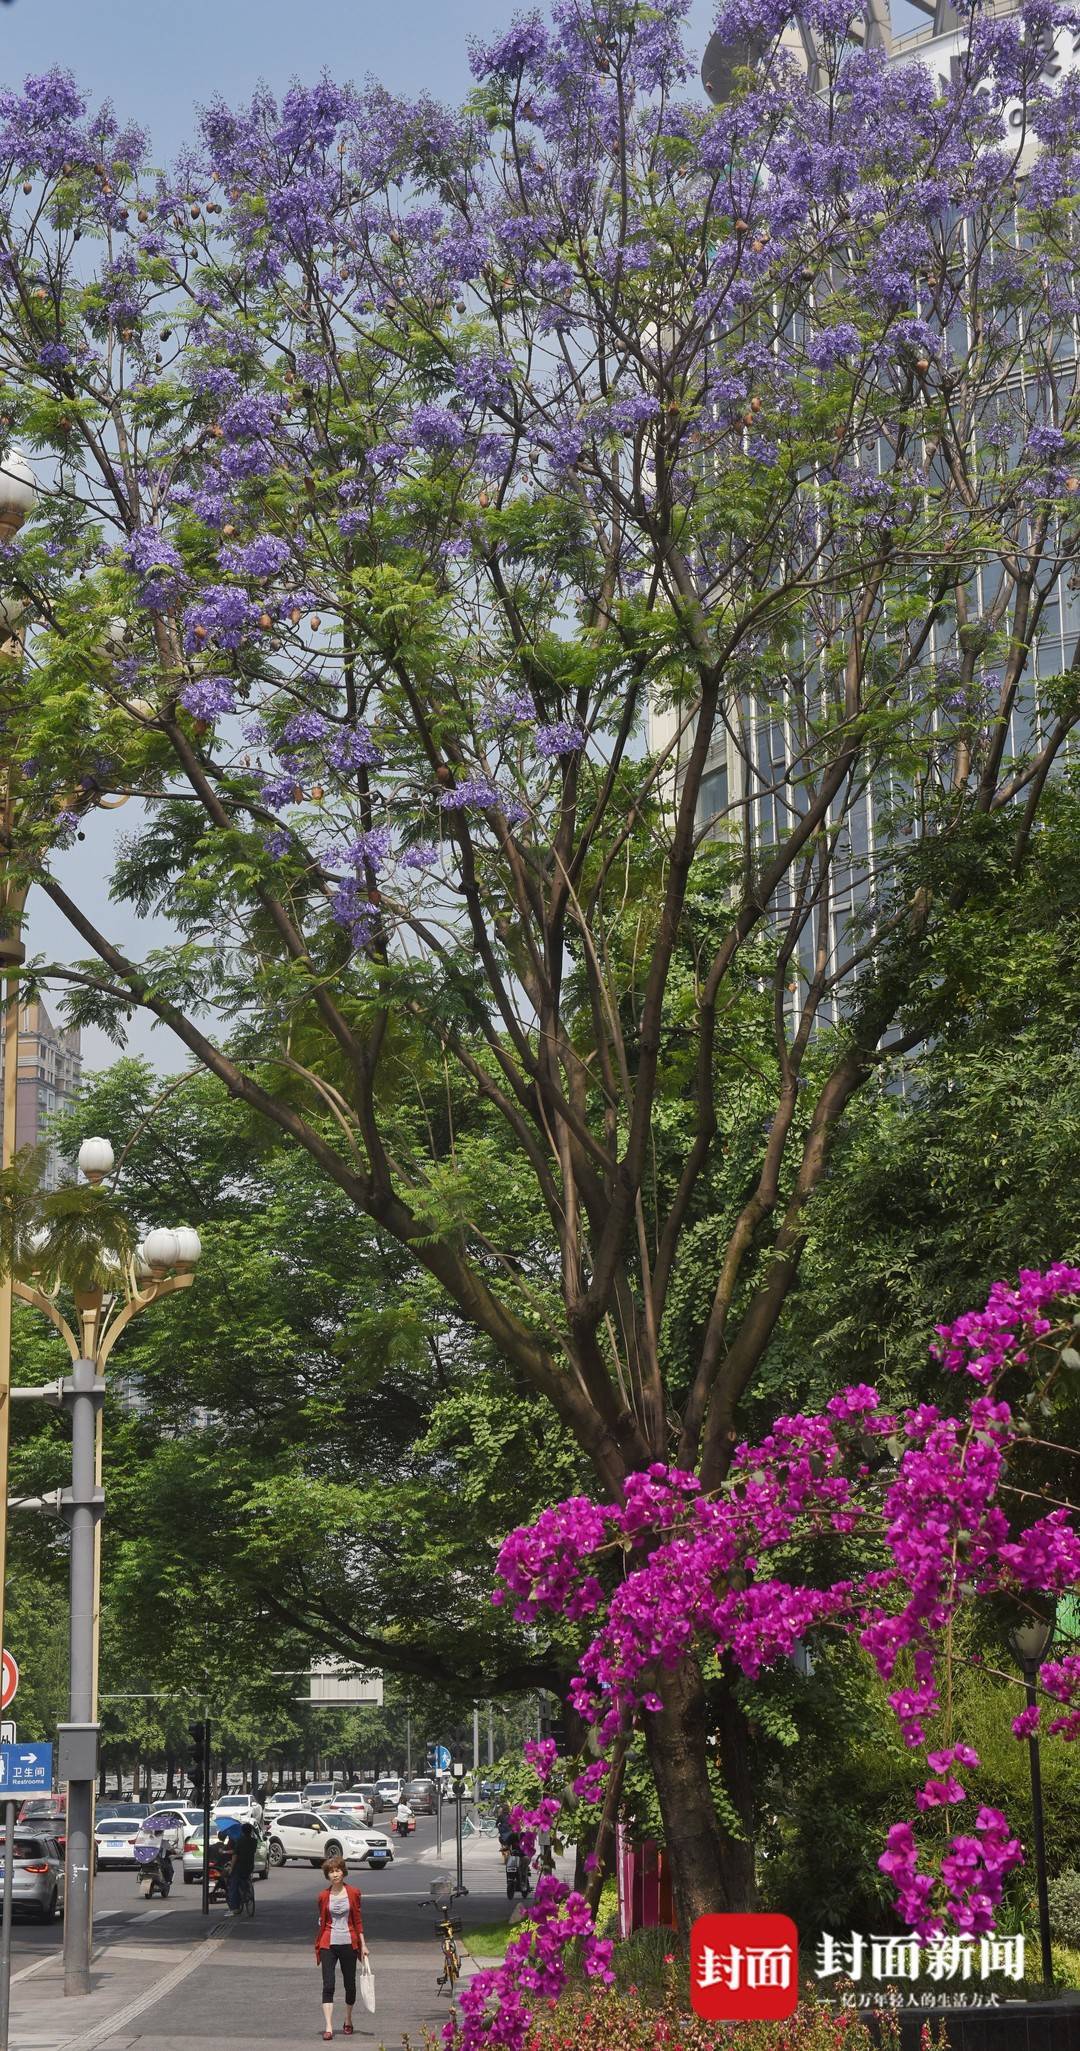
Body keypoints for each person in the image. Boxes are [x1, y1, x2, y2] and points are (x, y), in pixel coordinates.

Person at [314, 1855, 368, 2041]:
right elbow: (322, 1919)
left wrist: (363, 1945)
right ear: (327, 1875)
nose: (335, 1874)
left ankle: (348, 2019)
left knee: (349, 1984)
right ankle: (328, 2026)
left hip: (348, 1942)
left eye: (337, 1870)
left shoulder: (353, 1893)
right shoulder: (323, 1896)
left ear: (343, 1872)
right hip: (328, 1943)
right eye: (331, 1872)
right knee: (328, 1984)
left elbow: (357, 1920)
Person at [227, 1821, 258, 1912]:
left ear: (242, 1831)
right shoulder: (254, 1841)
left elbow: (235, 1856)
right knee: (246, 1878)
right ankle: (247, 1891)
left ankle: (235, 1907)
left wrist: (231, 1869)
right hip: (250, 1866)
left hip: (239, 1866)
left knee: (233, 1885)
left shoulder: (239, 1841)